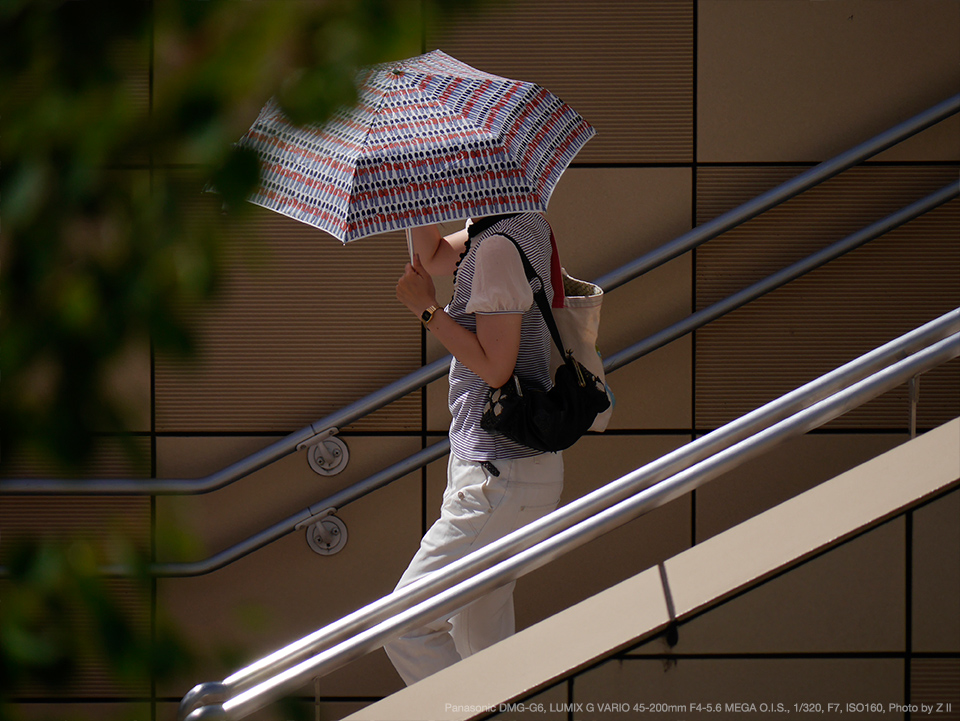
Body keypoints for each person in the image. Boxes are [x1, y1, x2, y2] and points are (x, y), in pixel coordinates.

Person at [386, 211, 564, 686]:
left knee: (404, 624)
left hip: (498, 472)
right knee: (478, 641)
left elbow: (497, 368)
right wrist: (414, 202)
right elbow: (436, 256)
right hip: (513, 468)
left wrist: (429, 313)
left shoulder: (496, 249)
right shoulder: (516, 225)